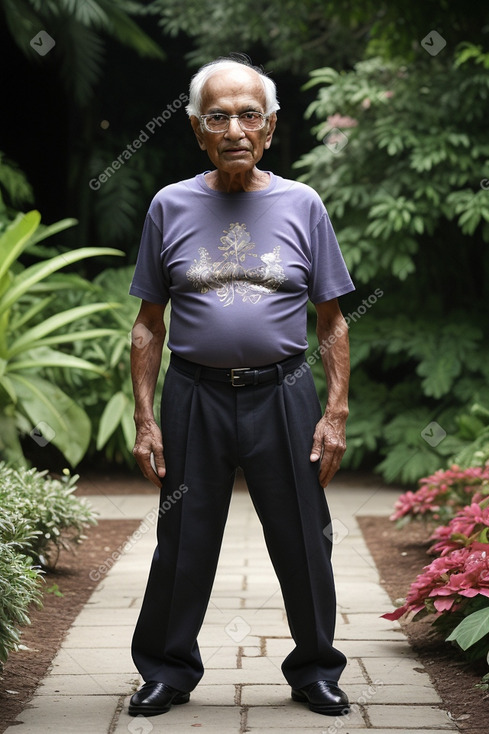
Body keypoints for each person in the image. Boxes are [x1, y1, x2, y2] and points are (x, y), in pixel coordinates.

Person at [127, 55, 355, 719]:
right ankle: (167, 669)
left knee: (303, 535)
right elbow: (147, 326)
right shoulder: (169, 204)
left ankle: (314, 668)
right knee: (183, 535)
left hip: (283, 392)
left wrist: (335, 412)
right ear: (197, 128)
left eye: (248, 114)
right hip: (193, 394)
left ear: (270, 125)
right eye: (217, 116)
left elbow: (333, 321)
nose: (234, 127)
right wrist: (145, 420)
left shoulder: (302, 204)